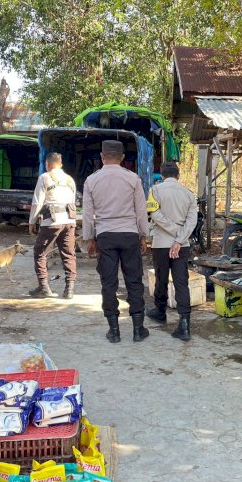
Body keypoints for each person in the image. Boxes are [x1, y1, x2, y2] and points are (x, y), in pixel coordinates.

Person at [82, 140, 150, 343]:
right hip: (129, 234)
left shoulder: (91, 180)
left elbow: (87, 214)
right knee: (134, 281)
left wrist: (89, 239)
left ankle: (114, 331)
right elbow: (141, 211)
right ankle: (138, 330)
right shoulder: (133, 179)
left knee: (109, 283)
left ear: (102, 157)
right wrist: (143, 235)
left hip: (105, 235)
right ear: (122, 159)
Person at [145, 161, 198, 341]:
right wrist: (179, 237)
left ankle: (160, 312)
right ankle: (184, 324)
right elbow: (192, 222)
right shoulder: (189, 194)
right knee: (181, 282)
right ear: (178, 175)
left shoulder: (155, 191)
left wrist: (172, 232)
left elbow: (154, 215)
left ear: (162, 175)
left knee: (161, 278)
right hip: (181, 246)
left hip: (161, 243)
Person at [29, 152, 78, 299]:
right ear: (61, 164)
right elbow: (73, 199)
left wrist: (32, 221)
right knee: (69, 254)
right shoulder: (70, 180)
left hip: (52, 221)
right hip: (69, 221)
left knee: (40, 252)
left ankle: (44, 287)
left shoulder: (45, 177)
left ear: (47, 164)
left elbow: (37, 202)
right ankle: (69, 289)